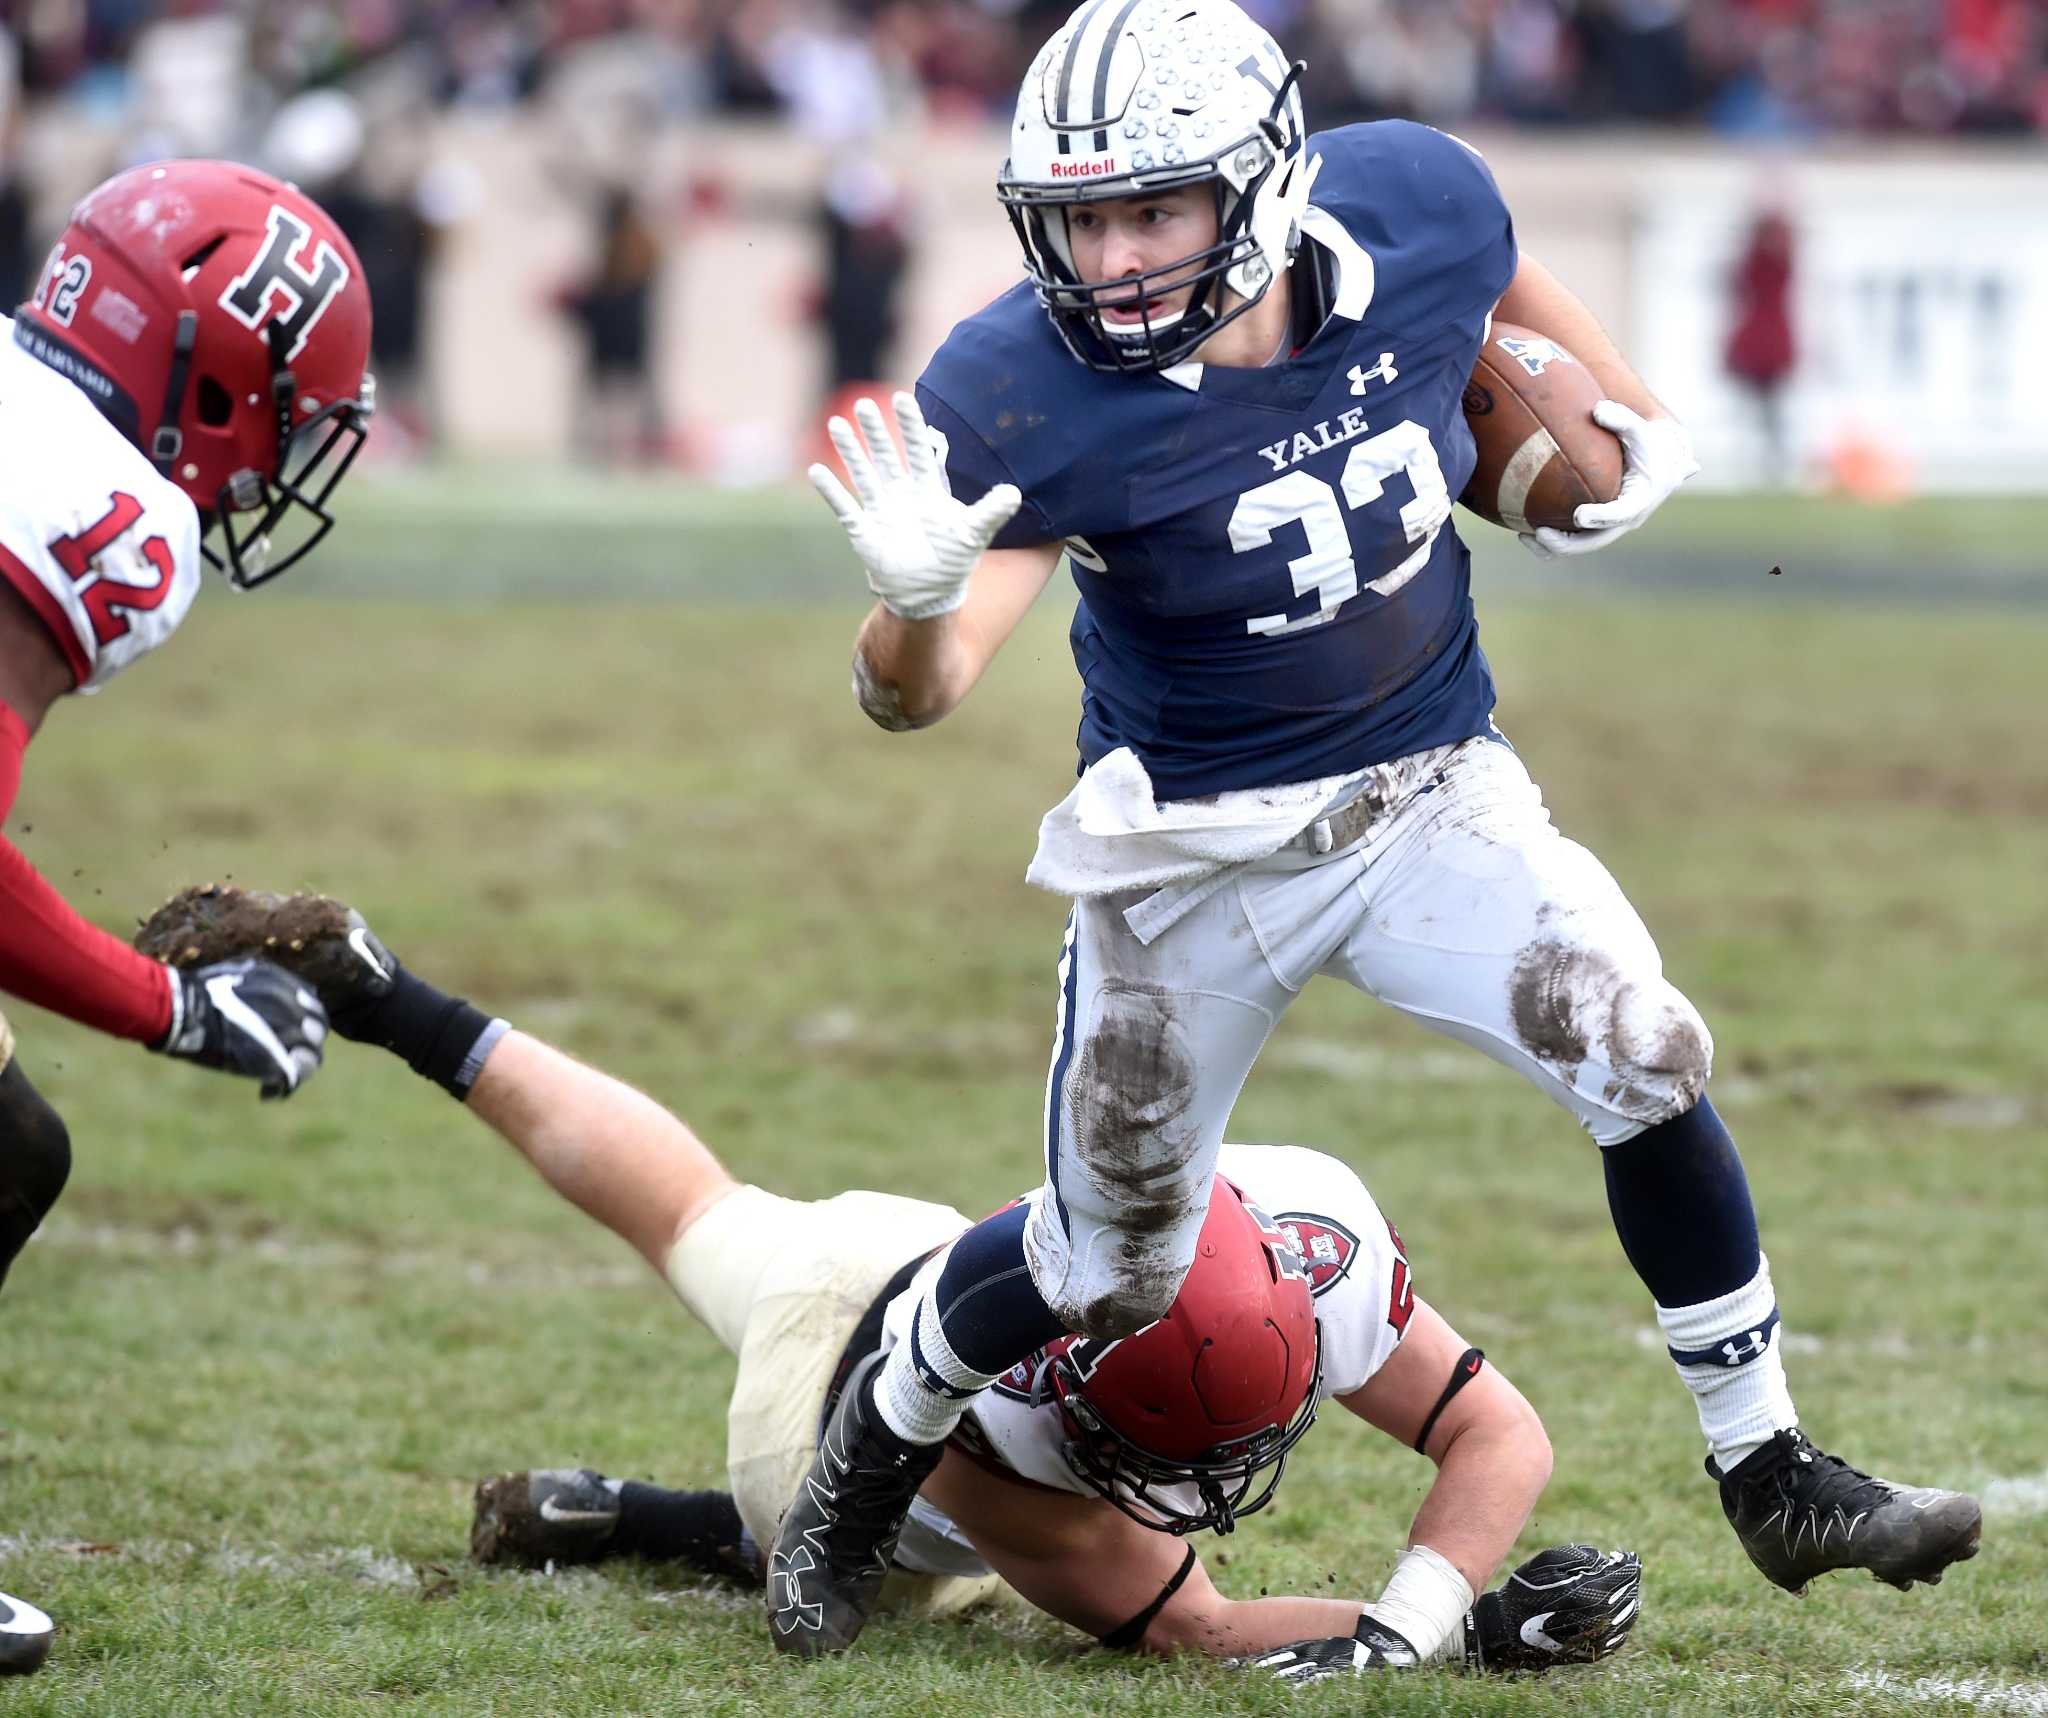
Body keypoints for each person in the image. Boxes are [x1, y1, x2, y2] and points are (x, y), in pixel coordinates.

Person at [790, 0, 1982, 1655]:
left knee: (1644, 1040)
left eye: (1155, 209)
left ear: (1269, 188)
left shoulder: (1419, 203)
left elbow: (1547, 365)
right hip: (1188, 855)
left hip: (1428, 785)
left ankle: (1770, 1465)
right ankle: (868, 1442)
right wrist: (906, 613)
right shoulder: (1024, 384)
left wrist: (1615, 449)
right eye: (1084, 218)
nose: (1114, 258)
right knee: (1109, 1265)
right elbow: (919, 694)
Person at [155, 885, 1642, 1679]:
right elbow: (1200, 1623)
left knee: (696, 1208)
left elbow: (1497, 1433)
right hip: (831, 1408)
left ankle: (395, 999)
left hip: (900, 1243)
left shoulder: (1306, 1240)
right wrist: (1472, 1636)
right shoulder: (1016, 1433)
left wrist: (1425, 1602)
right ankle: (672, 1520)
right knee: (914, 1583)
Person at [0, 159, 378, 1671]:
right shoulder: (101, 507)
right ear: (216, 389)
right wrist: (169, 1007)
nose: (277, 458)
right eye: (284, 414)